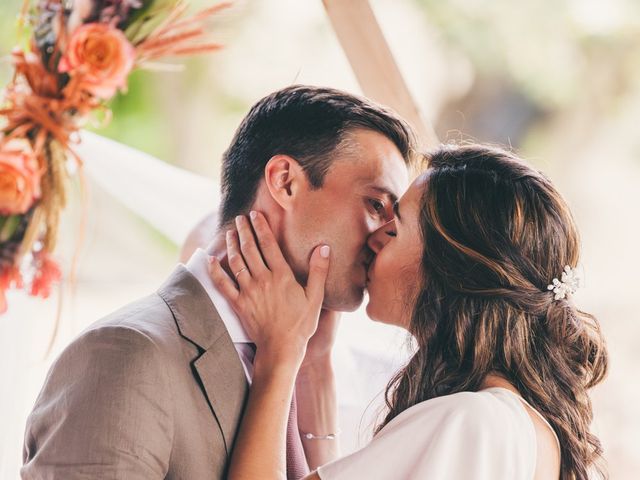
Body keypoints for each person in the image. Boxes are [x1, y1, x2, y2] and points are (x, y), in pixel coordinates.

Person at [21, 85, 416, 479]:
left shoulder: (299, 357)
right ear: (285, 181)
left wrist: (312, 369)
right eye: (376, 204)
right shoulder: (125, 354)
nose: (384, 236)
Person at [209, 144, 608, 480]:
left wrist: (278, 355)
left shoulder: (470, 422)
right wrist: (314, 361)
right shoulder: (526, 427)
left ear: (452, 270)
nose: (374, 238)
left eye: (395, 227)